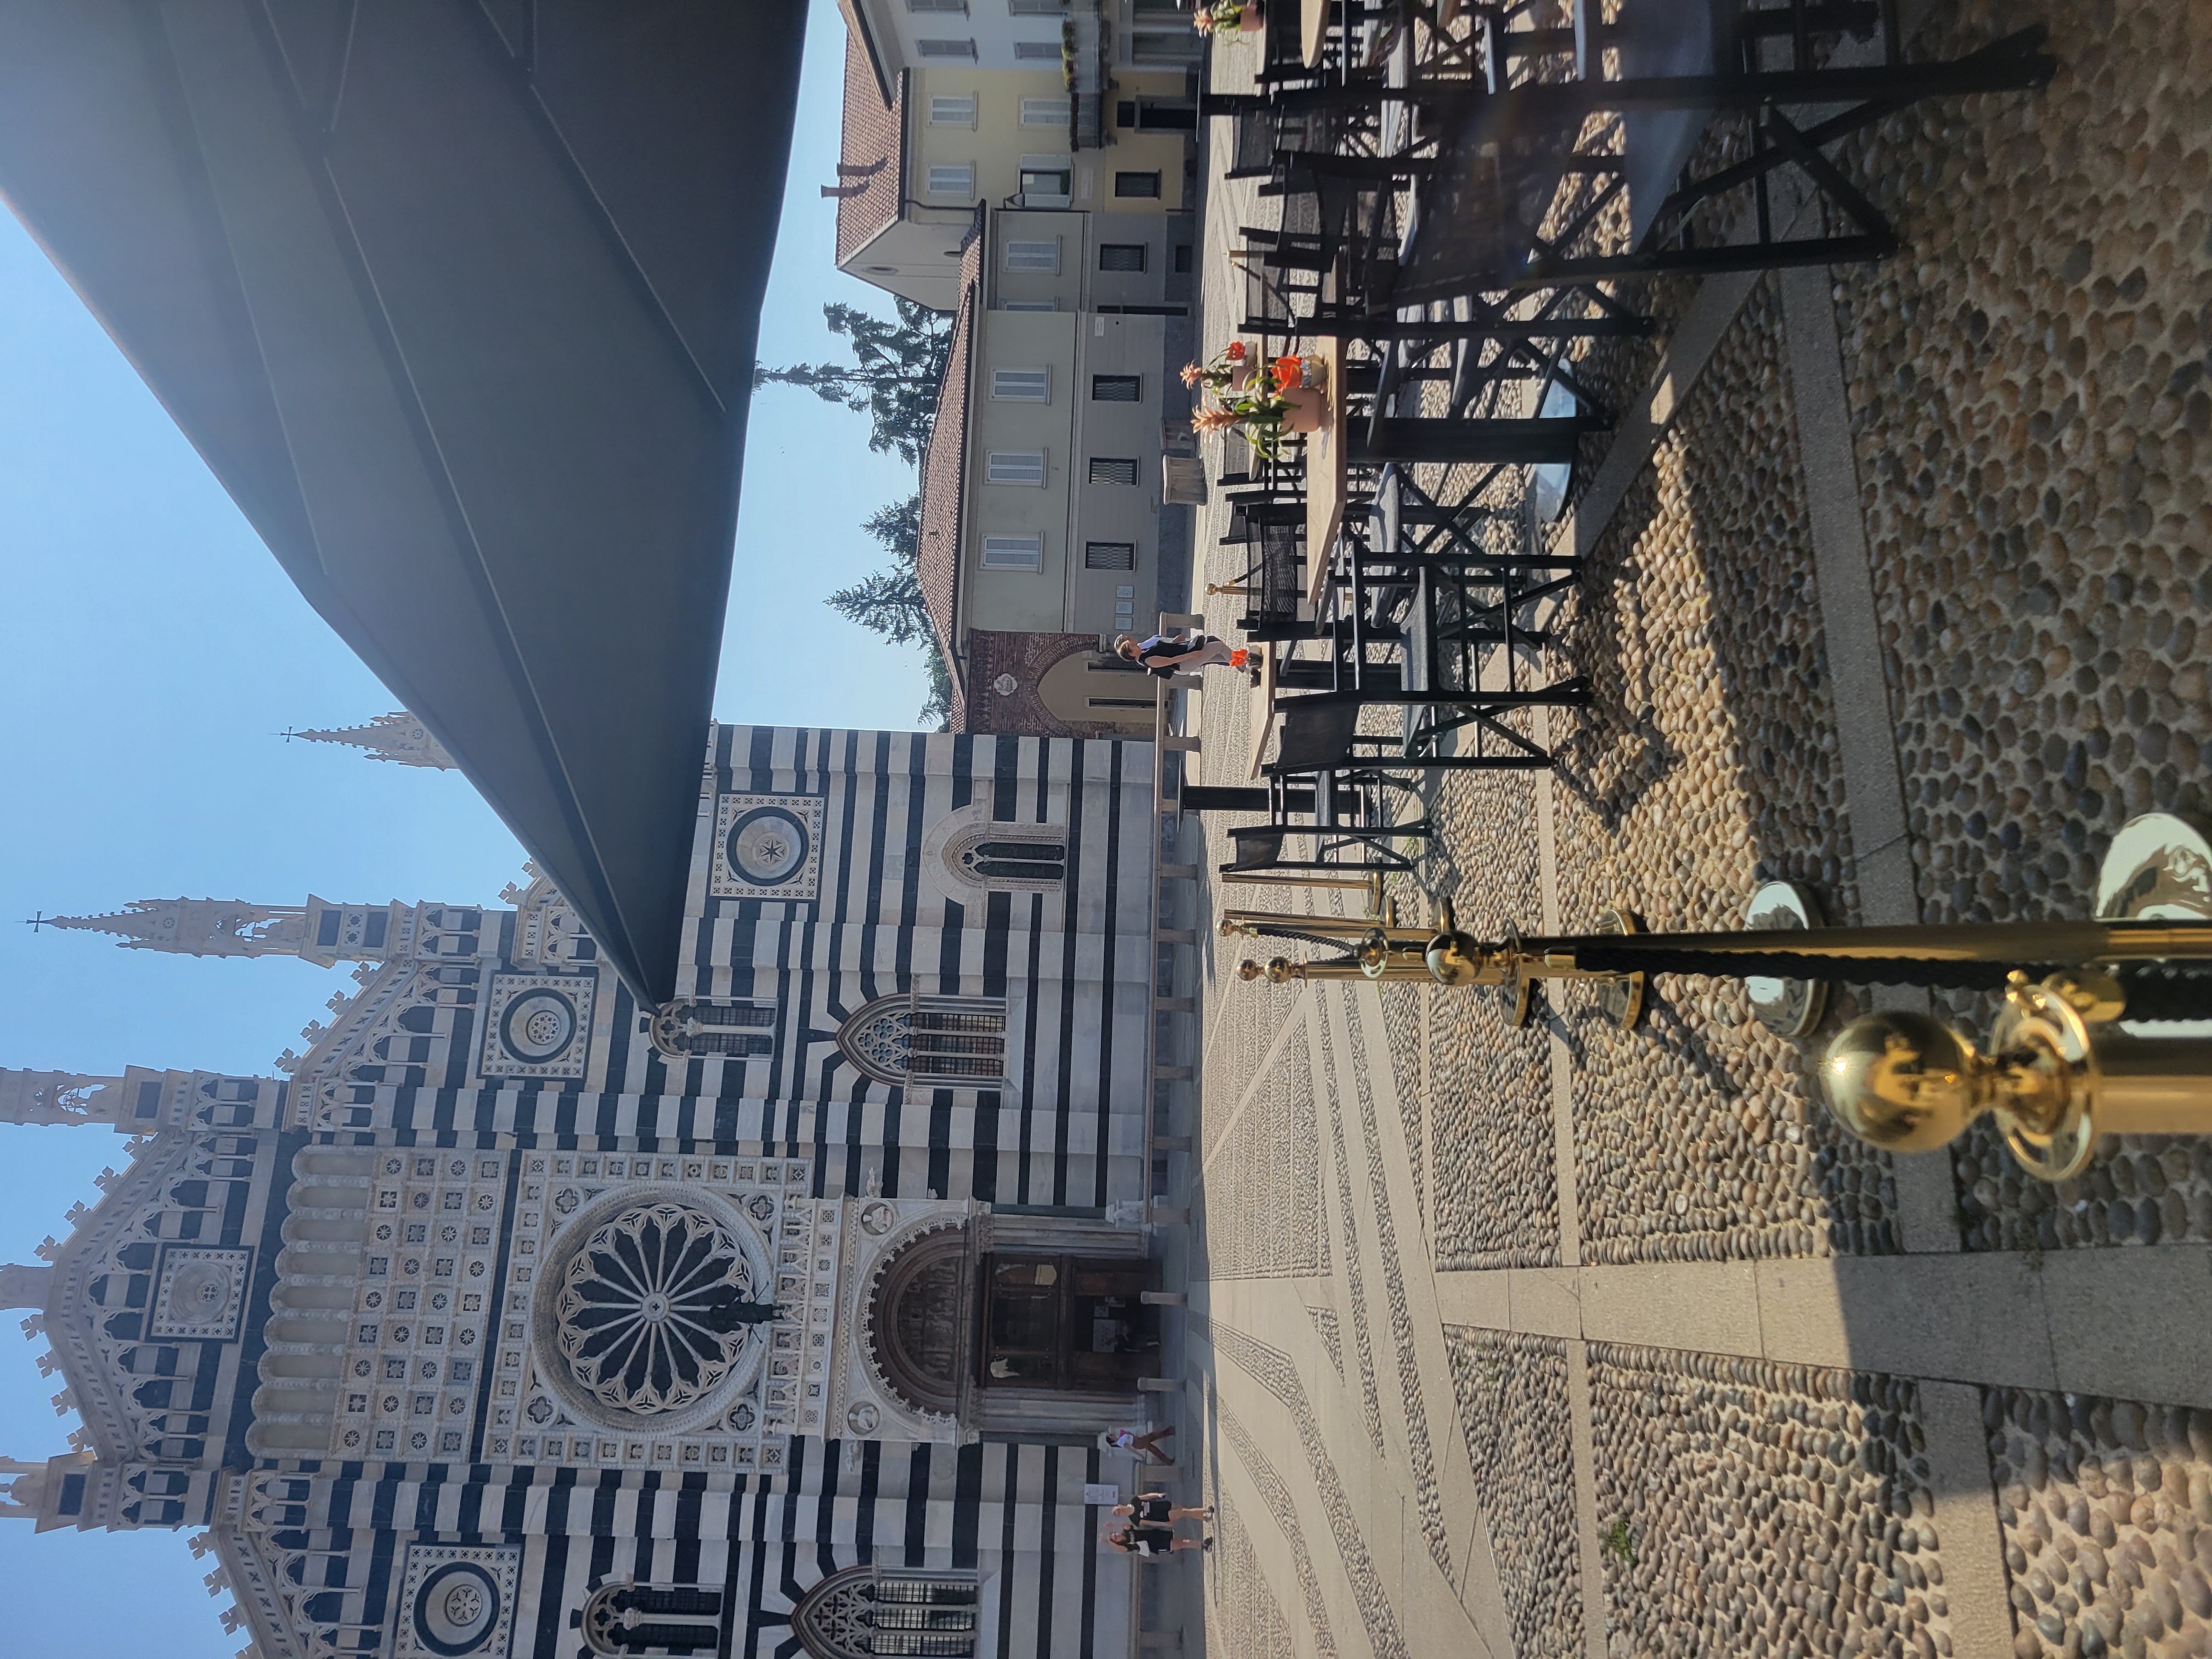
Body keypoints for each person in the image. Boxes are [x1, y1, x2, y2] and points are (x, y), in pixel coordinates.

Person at [1115, 629, 1242, 678]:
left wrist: (1176, 641)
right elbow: (1171, 661)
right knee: (1218, 647)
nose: (1134, 644)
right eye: (1131, 646)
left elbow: (1165, 649)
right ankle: (1243, 663)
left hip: (1186, 654)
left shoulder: (1144, 652)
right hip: (1184, 662)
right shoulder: (1147, 660)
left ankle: (1244, 664)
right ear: (1131, 654)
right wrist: (1191, 655)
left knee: (1218, 656)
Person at [1101, 1523, 1211, 1556]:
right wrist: (1108, 1541)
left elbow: (1126, 1525)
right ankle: (1202, 1545)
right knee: (1180, 1545)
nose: (1117, 1536)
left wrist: (1113, 1526)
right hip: (1155, 1546)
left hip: (1155, 1535)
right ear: (1117, 1542)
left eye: (1115, 1534)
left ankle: (1202, 1546)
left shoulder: (1128, 1532)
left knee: (1181, 1540)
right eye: (1115, 1538)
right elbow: (1120, 1549)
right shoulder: (1127, 1546)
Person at [1111, 1492, 1211, 1526]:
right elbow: (1150, 1523)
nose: (1120, 1512)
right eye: (1118, 1514)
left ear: (1120, 1506)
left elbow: (1148, 1496)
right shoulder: (1134, 1519)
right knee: (1185, 1512)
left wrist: (1158, 1495)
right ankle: (1207, 1511)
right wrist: (1165, 1524)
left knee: (1183, 1510)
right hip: (1162, 1516)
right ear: (1121, 1516)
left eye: (1118, 1510)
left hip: (1162, 1506)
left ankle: (1204, 1518)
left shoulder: (1134, 1501)